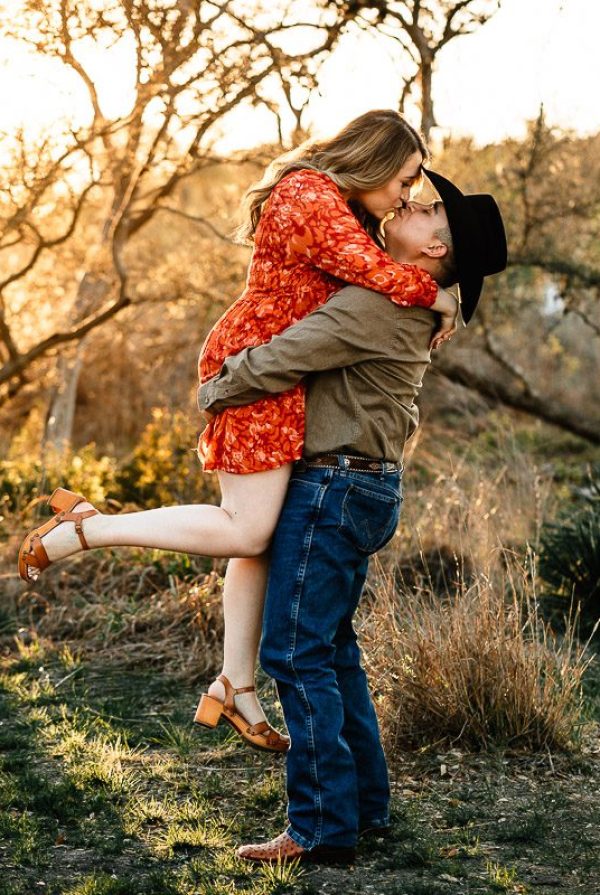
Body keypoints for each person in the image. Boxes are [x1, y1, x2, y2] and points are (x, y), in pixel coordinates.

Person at [17, 111, 459, 751]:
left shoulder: (340, 202)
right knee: (248, 527)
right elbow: (383, 274)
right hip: (258, 365)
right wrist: (444, 297)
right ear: (374, 159)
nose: (406, 196)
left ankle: (236, 684)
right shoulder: (308, 195)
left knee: (260, 534)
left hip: (284, 370)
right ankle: (89, 527)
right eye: (406, 180)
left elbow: (378, 277)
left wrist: (437, 293)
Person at [197, 169, 508, 863]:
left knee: (294, 652)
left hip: (333, 489)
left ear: (433, 250)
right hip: (364, 488)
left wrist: (217, 388)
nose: (415, 205)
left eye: (431, 213)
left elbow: (286, 356)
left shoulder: (377, 306)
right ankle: (364, 803)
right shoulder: (410, 300)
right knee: (332, 650)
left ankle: (319, 826)